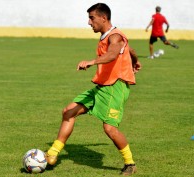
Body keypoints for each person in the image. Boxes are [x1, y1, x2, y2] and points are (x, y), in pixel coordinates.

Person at [45, 3, 142, 176]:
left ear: (103, 18)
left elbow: (113, 53)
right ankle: (52, 153)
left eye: (92, 18)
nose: (89, 22)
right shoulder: (110, 36)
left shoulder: (115, 36)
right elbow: (129, 48)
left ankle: (130, 163)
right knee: (68, 112)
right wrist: (135, 60)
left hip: (114, 87)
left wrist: (92, 61)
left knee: (110, 129)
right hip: (102, 86)